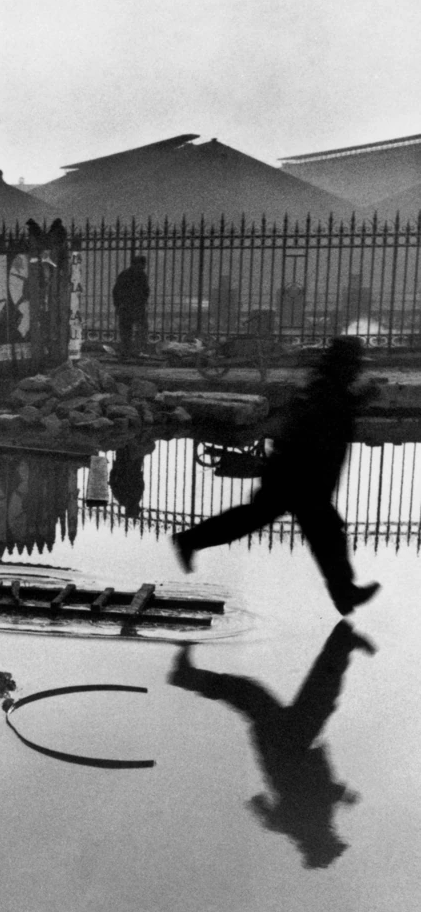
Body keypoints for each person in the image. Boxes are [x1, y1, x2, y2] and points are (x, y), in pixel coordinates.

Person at [172, 336, 381, 615]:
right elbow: (322, 424)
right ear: (344, 365)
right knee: (325, 533)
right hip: (299, 478)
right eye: (354, 365)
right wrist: (358, 400)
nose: (357, 370)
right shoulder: (326, 391)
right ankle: (344, 593)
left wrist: (356, 400)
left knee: (266, 521)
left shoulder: (326, 386)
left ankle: (191, 540)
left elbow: (328, 413)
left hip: (296, 476)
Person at [168, 621, 376, 868]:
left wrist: (342, 795)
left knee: (304, 694)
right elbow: (271, 811)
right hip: (287, 745)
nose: (335, 835)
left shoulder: (309, 824)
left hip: (287, 746)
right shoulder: (301, 826)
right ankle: (343, 641)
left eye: (333, 841)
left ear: (322, 841)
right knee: (297, 694)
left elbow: (313, 795)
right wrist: (267, 811)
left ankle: (343, 641)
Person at [112, 256, 150, 359]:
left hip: (126, 307)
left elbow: (116, 291)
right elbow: (146, 291)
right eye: (142, 264)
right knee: (140, 329)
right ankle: (136, 351)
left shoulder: (124, 275)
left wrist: (118, 305)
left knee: (126, 330)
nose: (143, 266)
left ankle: (126, 351)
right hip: (136, 307)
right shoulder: (141, 276)